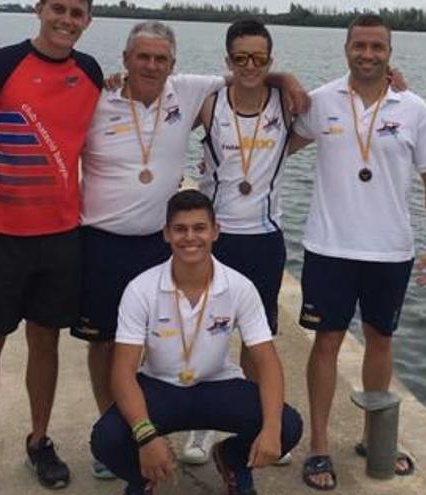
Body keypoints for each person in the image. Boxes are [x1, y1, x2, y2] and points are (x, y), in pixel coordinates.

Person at [0, 20, 308, 477]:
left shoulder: (187, 92)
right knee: (105, 342)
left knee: (159, 338)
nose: (152, 65)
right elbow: (48, 131)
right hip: (100, 240)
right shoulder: (96, 95)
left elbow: (246, 74)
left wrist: (284, 77)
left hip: (157, 242)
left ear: (173, 65)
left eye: (161, 59)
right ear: (125, 60)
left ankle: (156, 426)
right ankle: (122, 436)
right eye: (142, 57)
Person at [0, 0, 101, 493]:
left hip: (60, 235)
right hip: (0, 234)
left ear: (88, 20)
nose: (66, 21)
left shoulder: (91, 72)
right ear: (39, 9)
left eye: (77, 13)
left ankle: (39, 440)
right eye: (58, 8)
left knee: (46, 342)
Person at [289, 13, 426, 491]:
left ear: (389, 53)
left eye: (377, 47)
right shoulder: (320, 101)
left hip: (390, 251)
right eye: (359, 45)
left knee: (381, 340)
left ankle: (373, 437)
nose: (368, 55)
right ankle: (318, 447)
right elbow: (278, 143)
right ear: (346, 48)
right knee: (327, 343)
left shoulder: (414, 107)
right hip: (329, 246)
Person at [90, 189, 303, 495]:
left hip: (217, 384)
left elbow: (267, 362)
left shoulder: (239, 287)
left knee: (288, 425)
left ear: (215, 232)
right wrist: (146, 437)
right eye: (180, 229)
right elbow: (122, 372)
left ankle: (231, 460)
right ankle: (144, 477)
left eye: (199, 228)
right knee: (106, 439)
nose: (190, 237)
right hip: (159, 386)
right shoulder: (141, 289)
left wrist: (271, 428)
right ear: (166, 234)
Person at [187, 18, 293, 465]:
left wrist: (394, 84)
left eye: (260, 58)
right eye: (241, 57)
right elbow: (154, 112)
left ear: (270, 61)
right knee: (204, 334)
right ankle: (199, 424)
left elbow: (337, 112)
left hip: (265, 239)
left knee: (258, 337)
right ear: (227, 60)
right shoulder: (209, 105)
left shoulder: (287, 103)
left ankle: (255, 422)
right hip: (217, 238)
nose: (250, 65)